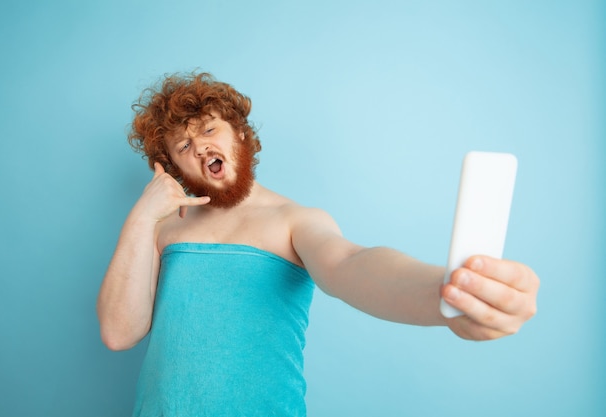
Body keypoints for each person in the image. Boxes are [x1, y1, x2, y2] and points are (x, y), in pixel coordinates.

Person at [96, 72, 539, 416]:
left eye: (210, 130)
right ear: (171, 168)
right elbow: (120, 332)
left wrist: (446, 297)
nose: (199, 147)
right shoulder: (161, 229)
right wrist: (141, 216)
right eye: (183, 145)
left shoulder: (294, 221)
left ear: (241, 135)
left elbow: (351, 263)